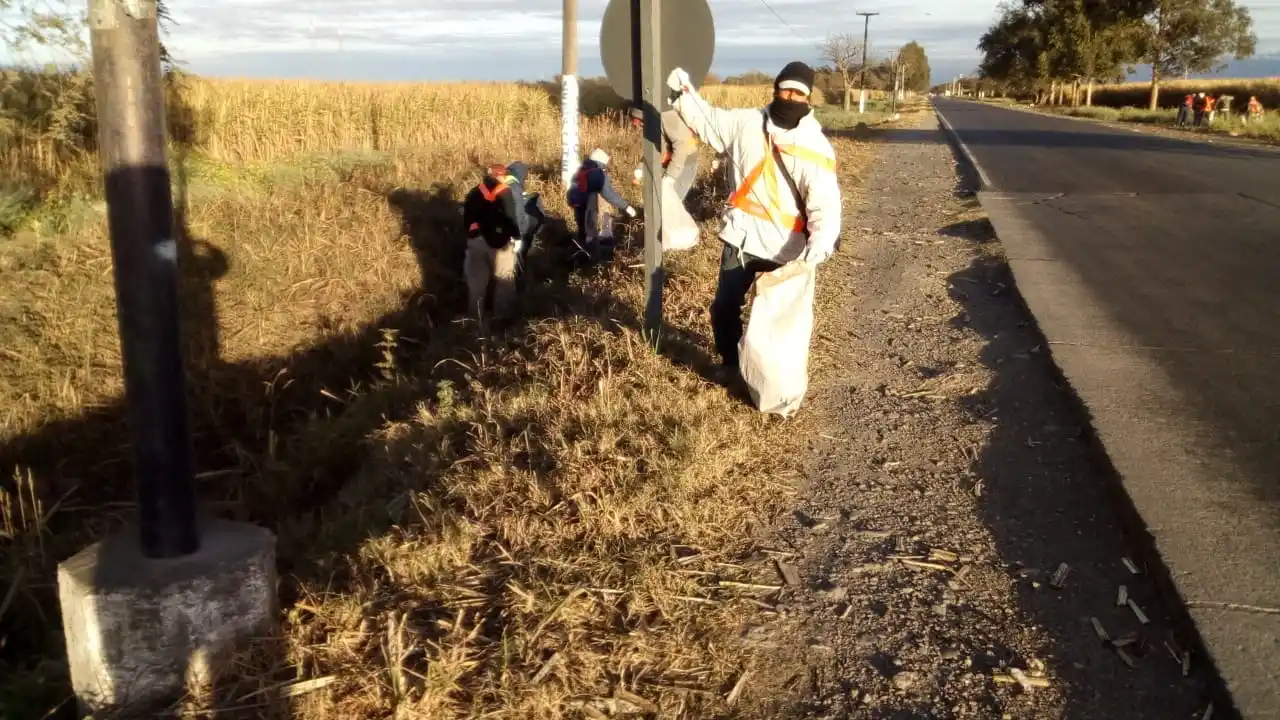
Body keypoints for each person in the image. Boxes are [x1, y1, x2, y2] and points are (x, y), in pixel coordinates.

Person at [665, 61, 841, 377]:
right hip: (741, 238)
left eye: (798, 93)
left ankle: (768, 375)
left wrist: (822, 240)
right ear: (775, 90)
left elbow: (824, 202)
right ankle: (731, 364)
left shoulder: (814, 145)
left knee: (774, 317)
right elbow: (708, 121)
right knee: (724, 308)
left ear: (807, 99)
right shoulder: (747, 123)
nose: (790, 96)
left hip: (786, 247)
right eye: (785, 89)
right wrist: (682, 92)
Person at [462, 163, 526, 321]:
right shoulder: (504, 191)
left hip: (476, 243)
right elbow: (511, 217)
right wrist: (517, 238)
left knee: (476, 285)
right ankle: (501, 321)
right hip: (501, 245)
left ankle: (475, 321)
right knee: (504, 281)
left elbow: (466, 219)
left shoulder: (474, 191)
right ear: (500, 176)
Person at [566, 148, 636, 265]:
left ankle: (580, 260)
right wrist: (626, 206)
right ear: (601, 162)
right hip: (589, 205)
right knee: (591, 234)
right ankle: (593, 263)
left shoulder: (581, 169)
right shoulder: (597, 173)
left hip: (577, 205)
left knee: (582, 232)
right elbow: (608, 194)